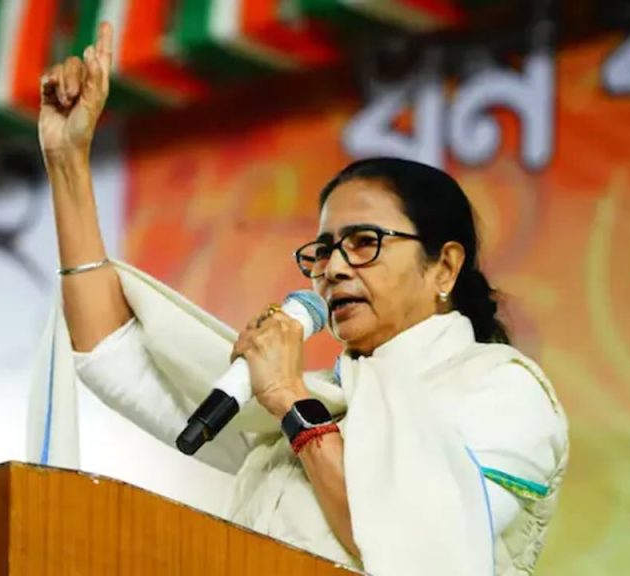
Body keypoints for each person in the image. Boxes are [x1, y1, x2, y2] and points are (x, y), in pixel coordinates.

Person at [32, 22, 568, 576]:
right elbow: (113, 350)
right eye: (325, 249)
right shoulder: (319, 404)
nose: (333, 268)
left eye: (364, 242)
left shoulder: (503, 390)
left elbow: (418, 549)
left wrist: (289, 400)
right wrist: (67, 160)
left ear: (445, 266)